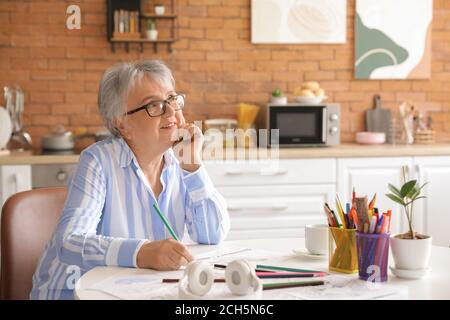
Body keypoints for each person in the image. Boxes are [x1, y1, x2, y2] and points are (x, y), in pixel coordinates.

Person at [31, 60, 230, 299]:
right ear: (122, 123)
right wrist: (141, 252)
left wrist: (194, 166)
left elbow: (212, 236)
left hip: (136, 292)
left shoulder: (180, 161)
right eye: (154, 105)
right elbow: (70, 242)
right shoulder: (98, 161)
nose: (171, 112)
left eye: (172, 99)